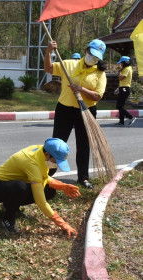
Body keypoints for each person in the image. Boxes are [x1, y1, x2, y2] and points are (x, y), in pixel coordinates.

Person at [0, 138, 81, 236]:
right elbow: (40, 201)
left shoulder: (41, 151)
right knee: (20, 187)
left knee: (50, 191)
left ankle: (9, 206)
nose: (57, 165)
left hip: (9, 185)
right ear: (47, 154)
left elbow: (44, 177)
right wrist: (62, 223)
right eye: (56, 161)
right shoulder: (32, 163)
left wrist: (62, 186)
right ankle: (8, 218)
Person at [44, 39, 107, 189]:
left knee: (84, 144)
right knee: (56, 144)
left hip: (86, 111)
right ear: (86, 51)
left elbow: (97, 96)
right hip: (64, 109)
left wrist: (81, 89)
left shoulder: (100, 73)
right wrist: (48, 51)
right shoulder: (69, 64)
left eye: (97, 57)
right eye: (92, 54)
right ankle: (45, 174)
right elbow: (49, 68)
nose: (93, 59)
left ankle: (83, 178)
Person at [114, 56, 136, 126]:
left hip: (125, 88)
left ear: (124, 63)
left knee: (119, 106)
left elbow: (121, 78)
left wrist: (120, 70)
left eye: (121, 63)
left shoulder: (127, 69)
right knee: (121, 105)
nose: (120, 64)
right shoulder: (126, 69)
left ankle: (131, 117)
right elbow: (122, 81)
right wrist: (118, 88)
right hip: (123, 88)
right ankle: (121, 121)